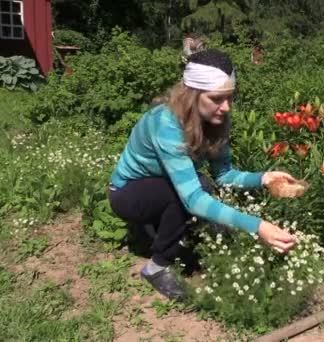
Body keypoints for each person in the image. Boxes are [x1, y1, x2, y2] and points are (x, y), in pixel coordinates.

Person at [108, 49, 298, 300]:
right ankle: (157, 266)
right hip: (127, 193)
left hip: (161, 185)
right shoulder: (165, 122)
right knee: (187, 195)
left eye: (229, 97)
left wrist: (263, 178)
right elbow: (193, 199)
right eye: (217, 98)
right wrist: (258, 226)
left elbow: (224, 175)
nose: (226, 107)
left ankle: (165, 232)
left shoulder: (214, 122)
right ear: (192, 95)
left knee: (202, 184)